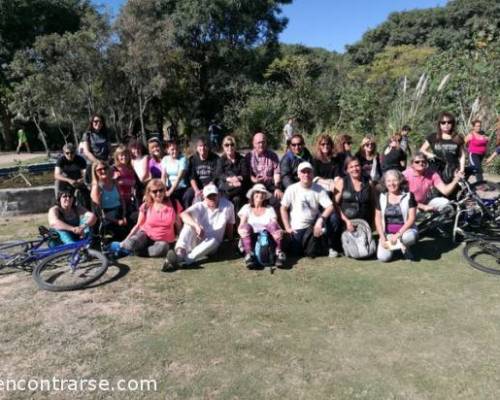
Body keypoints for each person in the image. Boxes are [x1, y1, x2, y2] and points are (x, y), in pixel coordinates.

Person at [165, 184, 235, 268]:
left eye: (214, 195)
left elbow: (230, 224)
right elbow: (183, 214)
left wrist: (230, 241)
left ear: (219, 195)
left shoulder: (228, 206)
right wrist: (196, 226)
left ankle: (186, 260)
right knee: (188, 225)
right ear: (204, 197)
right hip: (198, 239)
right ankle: (180, 253)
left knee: (213, 241)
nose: (212, 198)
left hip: (212, 245)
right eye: (209, 196)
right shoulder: (200, 205)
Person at [280, 162, 339, 258]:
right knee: (296, 253)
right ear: (298, 174)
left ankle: (330, 246)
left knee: (334, 218)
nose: (306, 174)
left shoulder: (319, 189)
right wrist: (287, 227)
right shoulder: (291, 189)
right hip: (297, 228)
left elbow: (330, 206)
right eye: (303, 172)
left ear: (313, 174)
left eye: (309, 172)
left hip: (314, 226)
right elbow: (283, 208)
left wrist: (320, 220)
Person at [120, 179, 182, 260]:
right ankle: (132, 248)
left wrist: (181, 243)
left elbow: (179, 225)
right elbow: (138, 225)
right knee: (129, 244)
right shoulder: (146, 206)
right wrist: (125, 240)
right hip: (146, 235)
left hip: (163, 241)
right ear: (149, 193)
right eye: (154, 191)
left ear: (165, 190)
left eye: (161, 190)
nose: (158, 193)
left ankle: (138, 252)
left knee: (161, 248)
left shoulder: (174, 204)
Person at [238, 184, 286, 268]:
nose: (260, 194)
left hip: (267, 237)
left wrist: (280, 230)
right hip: (251, 237)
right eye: (257, 192)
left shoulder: (269, 208)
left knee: (273, 225)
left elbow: (274, 222)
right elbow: (241, 225)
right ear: (252, 195)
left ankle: (278, 253)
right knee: (245, 227)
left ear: (265, 196)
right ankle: (249, 255)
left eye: (262, 193)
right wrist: (241, 231)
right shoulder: (246, 208)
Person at [375, 169, 418, 262]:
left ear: (400, 181)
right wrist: (382, 237)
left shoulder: (409, 196)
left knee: (409, 237)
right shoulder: (381, 197)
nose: (392, 184)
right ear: (385, 183)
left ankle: (406, 247)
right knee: (383, 258)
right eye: (389, 181)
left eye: (395, 180)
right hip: (388, 234)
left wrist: (398, 234)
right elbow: (377, 219)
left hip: (405, 232)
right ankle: (397, 246)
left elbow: (412, 218)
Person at [420, 112, 465, 184]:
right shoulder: (433, 137)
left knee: (452, 193)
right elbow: (422, 150)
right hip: (435, 170)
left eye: (449, 122)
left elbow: (462, 155)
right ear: (439, 124)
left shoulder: (458, 138)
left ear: (452, 124)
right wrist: (429, 154)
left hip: (452, 170)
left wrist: (462, 170)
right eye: (443, 122)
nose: (446, 124)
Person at [90, 161, 128, 240]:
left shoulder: (114, 182)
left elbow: (122, 200)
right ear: (95, 172)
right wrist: (117, 221)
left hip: (120, 211)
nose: (103, 171)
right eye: (99, 170)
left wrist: (124, 215)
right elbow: (99, 212)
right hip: (108, 217)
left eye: (105, 168)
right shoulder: (97, 187)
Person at [334, 157, 374, 231]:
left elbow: (373, 203)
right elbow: (334, 205)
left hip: (365, 224)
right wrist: (346, 221)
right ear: (347, 170)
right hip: (346, 224)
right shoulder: (341, 182)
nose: (355, 169)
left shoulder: (368, 182)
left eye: (357, 166)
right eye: (351, 167)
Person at [245, 132, 283, 207]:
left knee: (277, 199)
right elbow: (247, 174)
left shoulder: (273, 155)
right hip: (255, 185)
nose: (261, 145)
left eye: (263, 142)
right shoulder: (249, 156)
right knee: (256, 200)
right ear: (253, 143)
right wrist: (254, 179)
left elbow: (277, 173)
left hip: (269, 185)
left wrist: (277, 187)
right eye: (258, 143)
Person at [215, 135, 249, 211]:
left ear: (235, 146)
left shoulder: (241, 159)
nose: (229, 147)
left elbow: (245, 174)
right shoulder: (221, 160)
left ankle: (236, 222)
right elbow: (219, 174)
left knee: (237, 198)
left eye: (232, 144)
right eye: (227, 145)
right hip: (226, 186)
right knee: (226, 195)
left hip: (238, 188)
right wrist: (230, 179)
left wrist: (237, 178)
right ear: (223, 147)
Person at [183, 136, 219, 208]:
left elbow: (216, 176)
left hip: (211, 185)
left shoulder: (215, 158)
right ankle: (188, 215)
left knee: (211, 196)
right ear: (197, 148)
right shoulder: (192, 159)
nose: (202, 148)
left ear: (208, 147)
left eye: (205, 145)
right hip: (197, 186)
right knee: (187, 195)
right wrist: (196, 190)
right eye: (200, 146)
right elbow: (192, 177)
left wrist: (207, 189)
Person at [54, 143, 89, 207]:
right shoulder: (61, 160)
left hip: (78, 181)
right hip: (66, 182)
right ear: (64, 153)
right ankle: (59, 202)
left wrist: (81, 180)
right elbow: (56, 175)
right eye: (67, 153)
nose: (70, 155)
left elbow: (85, 174)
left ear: (75, 152)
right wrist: (68, 180)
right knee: (57, 182)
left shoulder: (80, 160)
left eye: (72, 152)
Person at [112, 145, 138, 219]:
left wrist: (121, 181)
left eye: (126, 155)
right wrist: (117, 180)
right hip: (118, 200)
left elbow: (133, 182)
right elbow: (110, 183)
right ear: (117, 157)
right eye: (121, 155)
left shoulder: (130, 168)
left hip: (128, 198)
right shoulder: (113, 169)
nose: (124, 157)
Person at [161, 140, 188, 205]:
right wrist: (163, 190)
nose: (175, 151)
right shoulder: (165, 159)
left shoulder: (183, 159)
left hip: (180, 187)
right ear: (167, 150)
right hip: (169, 187)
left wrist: (170, 192)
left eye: (176, 149)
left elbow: (179, 178)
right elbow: (163, 175)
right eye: (172, 149)